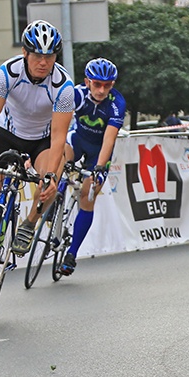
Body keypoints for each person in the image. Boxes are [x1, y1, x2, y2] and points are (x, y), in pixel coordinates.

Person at [0, 20, 75, 302]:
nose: (43, 62)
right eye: (37, 55)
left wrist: (51, 176)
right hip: (7, 134)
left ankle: (30, 223)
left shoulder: (64, 86)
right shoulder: (7, 72)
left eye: (50, 56)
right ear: (24, 53)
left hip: (42, 141)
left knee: (49, 184)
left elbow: (58, 138)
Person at [57, 57, 126, 276]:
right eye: (97, 84)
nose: (101, 89)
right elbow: (58, 125)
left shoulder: (117, 103)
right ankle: (57, 191)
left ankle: (71, 254)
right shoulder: (76, 94)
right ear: (87, 81)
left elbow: (109, 139)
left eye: (107, 85)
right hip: (78, 139)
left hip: (99, 150)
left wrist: (98, 168)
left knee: (88, 196)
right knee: (59, 155)